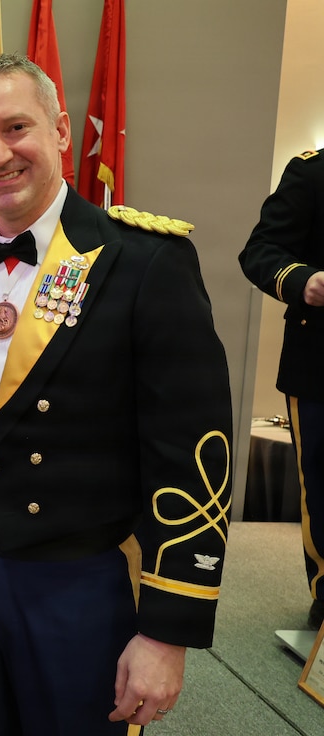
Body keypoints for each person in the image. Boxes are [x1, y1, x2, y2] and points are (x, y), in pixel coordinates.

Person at [0, 55, 233, 735]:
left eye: (16, 128)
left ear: (62, 130)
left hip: (81, 580)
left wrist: (168, 630)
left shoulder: (144, 261)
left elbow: (191, 455)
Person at [239, 148, 324, 630]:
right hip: (319, 367)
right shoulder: (312, 172)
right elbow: (260, 252)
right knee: (323, 484)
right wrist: (304, 281)